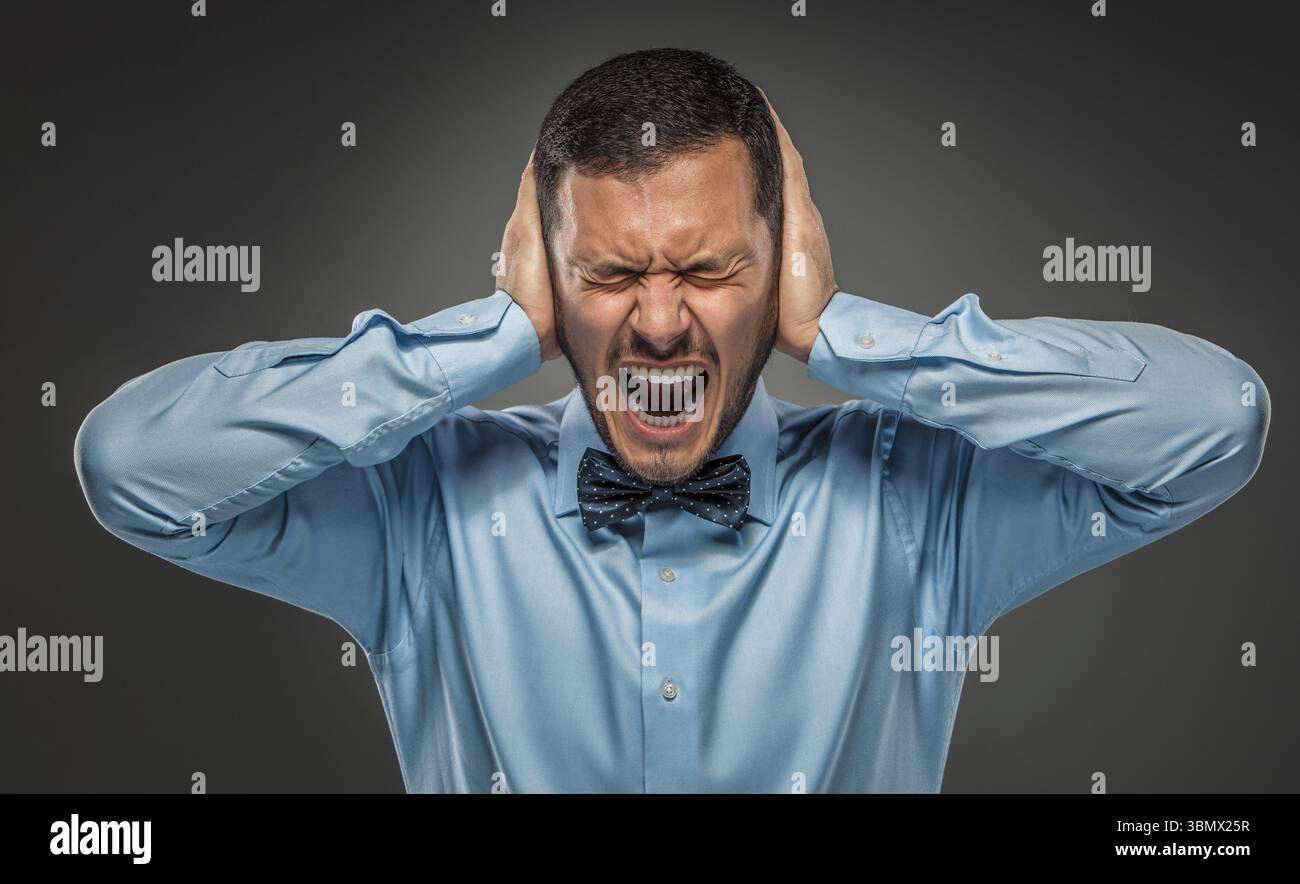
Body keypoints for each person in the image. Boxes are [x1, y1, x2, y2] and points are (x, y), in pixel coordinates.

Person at [74, 48, 1270, 793]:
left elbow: (1210, 421)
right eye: (605, 275)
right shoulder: (419, 510)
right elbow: (135, 465)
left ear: (779, 264)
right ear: (544, 275)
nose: (655, 323)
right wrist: (491, 338)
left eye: (707, 268)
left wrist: (844, 331)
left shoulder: (919, 499)